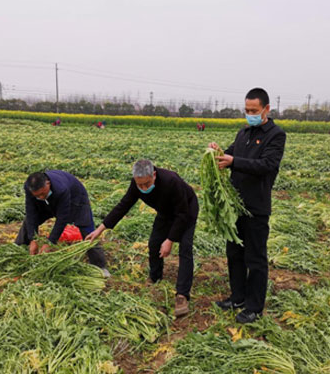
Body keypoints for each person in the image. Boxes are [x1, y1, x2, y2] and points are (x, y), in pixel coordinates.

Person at [209, 88, 286, 324]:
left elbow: (266, 165)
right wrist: (218, 152)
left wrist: (234, 162)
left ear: (266, 110)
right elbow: (231, 154)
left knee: (256, 258)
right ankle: (238, 297)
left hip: (256, 207)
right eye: (247, 110)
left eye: (254, 110)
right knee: (234, 254)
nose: (249, 114)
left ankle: (254, 307)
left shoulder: (275, 135)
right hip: (236, 206)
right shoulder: (243, 133)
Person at [86, 159, 198, 317]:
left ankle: (182, 295)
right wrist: (100, 229)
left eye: (147, 183)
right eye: (140, 185)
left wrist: (170, 240)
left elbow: (182, 214)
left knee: (185, 248)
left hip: (186, 210)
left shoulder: (171, 181)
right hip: (165, 212)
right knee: (154, 243)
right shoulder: (136, 184)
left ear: (154, 174)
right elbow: (123, 206)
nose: (144, 188)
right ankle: (155, 277)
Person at [15, 170, 110, 277]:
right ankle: (18, 250)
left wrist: (50, 243)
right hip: (48, 201)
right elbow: (31, 211)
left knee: (86, 228)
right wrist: (33, 239)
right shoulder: (30, 188)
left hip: (75, 199)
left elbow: (62, 219)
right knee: (29, 221)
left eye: (42, 193)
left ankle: (100, 265)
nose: (40, 197)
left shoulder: (61, 189)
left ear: (48, 183)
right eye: (37, 195)